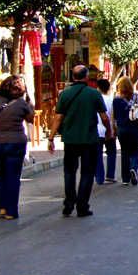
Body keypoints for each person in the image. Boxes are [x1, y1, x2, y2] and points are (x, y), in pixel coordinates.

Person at [47, 66, 112, 218]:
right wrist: (109, 130)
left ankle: (69, 201)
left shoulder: (65, 94)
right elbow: (104, 116)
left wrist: (51, 138)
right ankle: (82, 206)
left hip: (70, 139)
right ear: (87, 77)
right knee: (87, 173)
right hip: (89, 139)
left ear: (73, 77)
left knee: (69, 171)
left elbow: (58, 117)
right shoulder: (94, 93)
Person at [0, 76, 34, 220]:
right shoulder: (21, 103)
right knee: (13, 176)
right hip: (15, 142)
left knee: (1, 174)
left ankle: (2, 208)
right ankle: (11, 211)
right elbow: (31, 118)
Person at [113, 76, 138, 186]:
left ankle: (125, 178)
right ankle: (134, 169)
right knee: (135, 151)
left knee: (125, 153)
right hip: (135, 128)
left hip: (122, 128)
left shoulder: (116, 99)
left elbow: (113, 116)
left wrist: (113, 129)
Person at [94, 79, 116, 185]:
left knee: (97, 154)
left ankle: (99, 177)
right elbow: (113, 116)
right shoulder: (111, 100)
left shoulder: (94, 100)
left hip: (97, 131)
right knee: (111, 152)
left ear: (98, 88)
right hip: (109, 130)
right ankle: (110, 175)